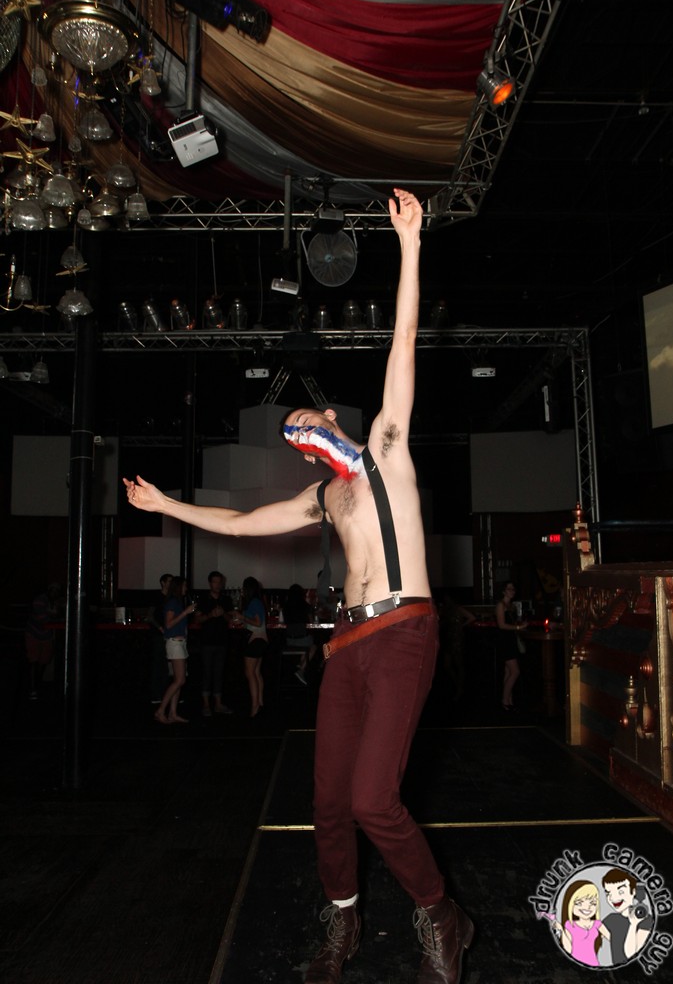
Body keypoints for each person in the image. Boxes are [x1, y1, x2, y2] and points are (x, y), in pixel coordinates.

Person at [124, 189, 473, 984]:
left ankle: (440, 915)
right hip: (347, 640)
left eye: (308, 421)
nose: (302, 431)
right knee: (326, 802)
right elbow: (245, 522)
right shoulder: (325, 495)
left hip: (404, 630)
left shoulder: (385, 451)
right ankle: (342, 922)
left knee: (374, 800)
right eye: (293, 434)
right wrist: (169, 504)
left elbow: (404, 345)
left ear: (334, 424)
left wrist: (410, 245)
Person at [155, 576, 195, 725]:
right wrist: (185, 612)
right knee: (179, 680)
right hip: (175, 643)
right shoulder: (173, 602)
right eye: (184, 585)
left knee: (179, 680)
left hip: (180, 643)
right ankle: (160, 711)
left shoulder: (177, 602)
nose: (186, 588)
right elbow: (169, 624)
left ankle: (172, 713)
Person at [194, 570, 233, 716]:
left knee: (219, 673)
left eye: (219, 582)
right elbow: (197, 619)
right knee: (206, 672)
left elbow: (231, 619)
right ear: (210, 583)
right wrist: (210, 615)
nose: (217, 585)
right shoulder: (203, 599)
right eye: (215, 582)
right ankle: (205, 704)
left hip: (222, 641)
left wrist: (223, 614)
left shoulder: (226, 599)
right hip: (207, 641)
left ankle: (218, 703)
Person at [551, 879, 610, 967]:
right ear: (570, 904)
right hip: (575, 965)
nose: (587, 907)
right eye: (579, 903)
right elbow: (569, 949)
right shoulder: (569, 925)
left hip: (593, 964)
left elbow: (613, 939)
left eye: (593, 903)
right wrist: (561, 930)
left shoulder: (597, 924)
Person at [232, 576, 268, 717]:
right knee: (256, 672)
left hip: (255, 640)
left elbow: (257, 622)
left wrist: (242, 618)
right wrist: (243, 621)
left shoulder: (254, 602)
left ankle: (254, 706)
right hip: (261, 640)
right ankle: (259, 701)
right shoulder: (257, 602)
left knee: (250, 673)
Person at [601, 869, 653, 964]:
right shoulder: (611, 919)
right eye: (608, 893)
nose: (613, 898)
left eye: (620, 892)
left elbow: (631, 954)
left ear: (633, 891)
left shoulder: (646, 920)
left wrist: (633, 924)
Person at [24, 583, 61, 699]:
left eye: (57, 591)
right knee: (33, 661)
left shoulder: (55, 602)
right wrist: (56, 616)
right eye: (53, 590)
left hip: (46, 635)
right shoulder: (40, 600)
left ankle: (37, 684)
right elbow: (44, 620)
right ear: (48, 590)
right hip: (33, 634)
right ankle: (32, 687)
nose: (54, 593)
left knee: (44, 661)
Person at [495, 581, 527, 711]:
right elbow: (501, 625)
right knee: (515, 671)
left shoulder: (512, 606)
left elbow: (511, 623)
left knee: (508, 672)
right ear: (503, 591)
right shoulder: (500, 605)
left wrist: (520, 625)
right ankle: (504, 699)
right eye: (509, 589)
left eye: (513, 589)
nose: (512, 591)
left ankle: (508, 699)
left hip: (510, 639)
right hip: (504, 641)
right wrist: (518, 627)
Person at [146, 572, 173, 704]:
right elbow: (150, 616)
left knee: (167, 665)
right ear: (163, 583)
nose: (171, 584)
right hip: (158, 635)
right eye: (169, 581)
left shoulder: (171, 598)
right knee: (159, 664)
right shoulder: (157, 597)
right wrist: (160, 628)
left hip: (168, 634)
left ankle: (165, 693)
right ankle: (156, 694)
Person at [283, 582, 316, 684]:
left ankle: (300, 664)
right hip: (303, 640)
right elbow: (311, 623)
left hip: (289, 641)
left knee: (307, 646)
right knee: (314, 646)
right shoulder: (306, 606)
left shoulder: (285, 607)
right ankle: (301, 668)